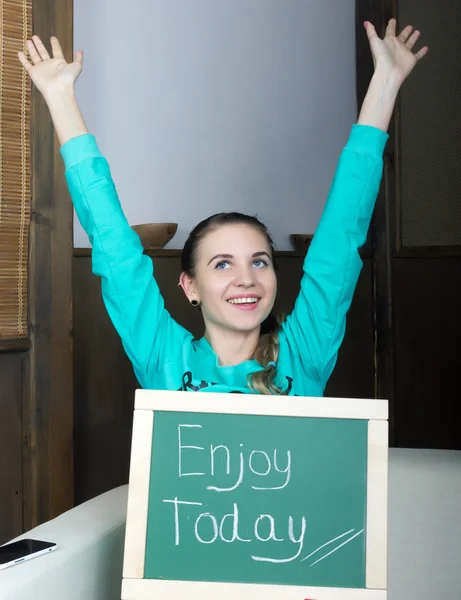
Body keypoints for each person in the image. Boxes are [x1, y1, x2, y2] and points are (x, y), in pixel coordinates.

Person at [19, 19, 427, 396]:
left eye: (260, 262)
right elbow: (114, 247)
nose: (246, 278)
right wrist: (59, 98)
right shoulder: (163, 355)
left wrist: (386, 83)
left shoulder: (304, 354)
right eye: (222, 264)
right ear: (190, 287)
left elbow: (340, 234)